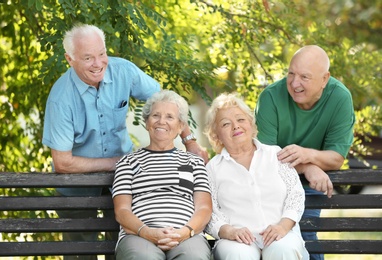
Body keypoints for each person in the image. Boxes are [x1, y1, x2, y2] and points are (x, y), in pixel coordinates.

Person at [42, 24, 208, 260]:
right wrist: (116, 163)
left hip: (121, 184)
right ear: (70, 59)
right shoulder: (61, 98)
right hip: (75, 184)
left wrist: (190, 141)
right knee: (78, 253)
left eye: (101, 54)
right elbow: (62, 163)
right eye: (88, 58)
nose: (98, 63)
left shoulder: (123, 71)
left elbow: (166, 102)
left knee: (120, 247)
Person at [255, 45, 355, 260]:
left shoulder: (340, 99)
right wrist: (308, 166)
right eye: (291, 73)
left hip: (310, 185)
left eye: (304, 77)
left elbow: (336, 158)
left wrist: (308, 156)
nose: (294, 83)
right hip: (272, 181)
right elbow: (265, 158)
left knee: (307, 235)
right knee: (269, 237)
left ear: (324, 79)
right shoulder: (270, 98)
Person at [204, 92, 309, 260]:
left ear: (251, 124)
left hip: (281, 232)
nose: (236, 126)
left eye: (240, 119)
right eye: (226, 124)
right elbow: (209, 211)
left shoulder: (275, 154)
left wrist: (283, 226)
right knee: (238, 254)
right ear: (216, 135)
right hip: (236, 240)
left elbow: (295, 195)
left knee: (284, 250)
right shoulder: (212, 169)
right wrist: (229, 231)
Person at [112, 90, 212, 260]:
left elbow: (204, 208)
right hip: (139, 235)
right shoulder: (128, 163)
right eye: (155, 115)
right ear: (146, 122)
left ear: (181, 126)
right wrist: (148, 232)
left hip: (187, 235)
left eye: (169, 117)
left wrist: (184, 232)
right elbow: (122, 210)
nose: (161, 121)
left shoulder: (193, 162)